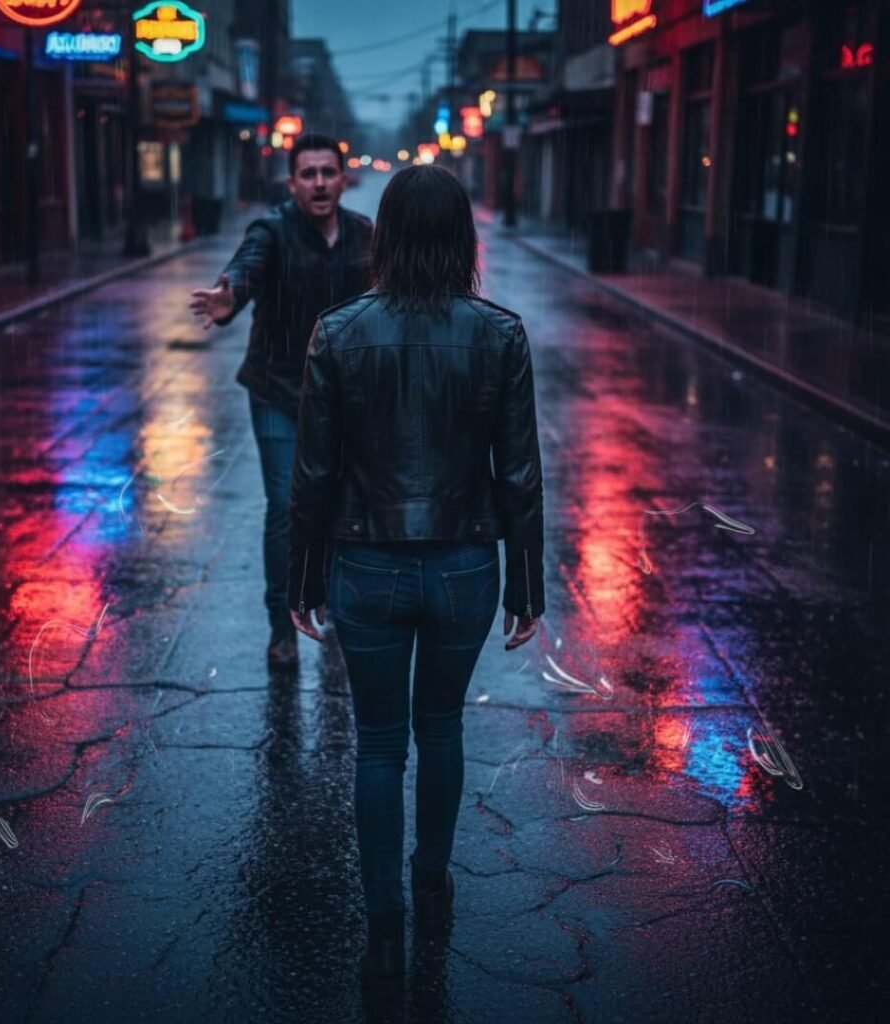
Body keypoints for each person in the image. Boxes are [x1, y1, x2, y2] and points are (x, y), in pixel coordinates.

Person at [287, 165, 544, 987]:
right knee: (440, 730)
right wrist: (526, 586)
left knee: (377, 745)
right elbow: (521, 476)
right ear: (461, 237)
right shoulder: (500, 333)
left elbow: (314, 475)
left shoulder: (338, 331)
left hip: (366, 562)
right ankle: (431, 885)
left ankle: (385, 919)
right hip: (465, 565)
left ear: (386, 236)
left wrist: (302, 577)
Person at [190, 133, 373, 671]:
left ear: (344, 178)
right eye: (308, 174)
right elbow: (247, 265)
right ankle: (284, 625)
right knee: (288, 510)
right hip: (278, 392)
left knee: (342, 509)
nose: (319, 183)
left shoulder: (365, 236)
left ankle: (334, 610)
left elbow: (394, 296)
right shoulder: (272, 230)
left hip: (345, 400)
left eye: (328, 172)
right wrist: (229, 296)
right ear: (292, 182)